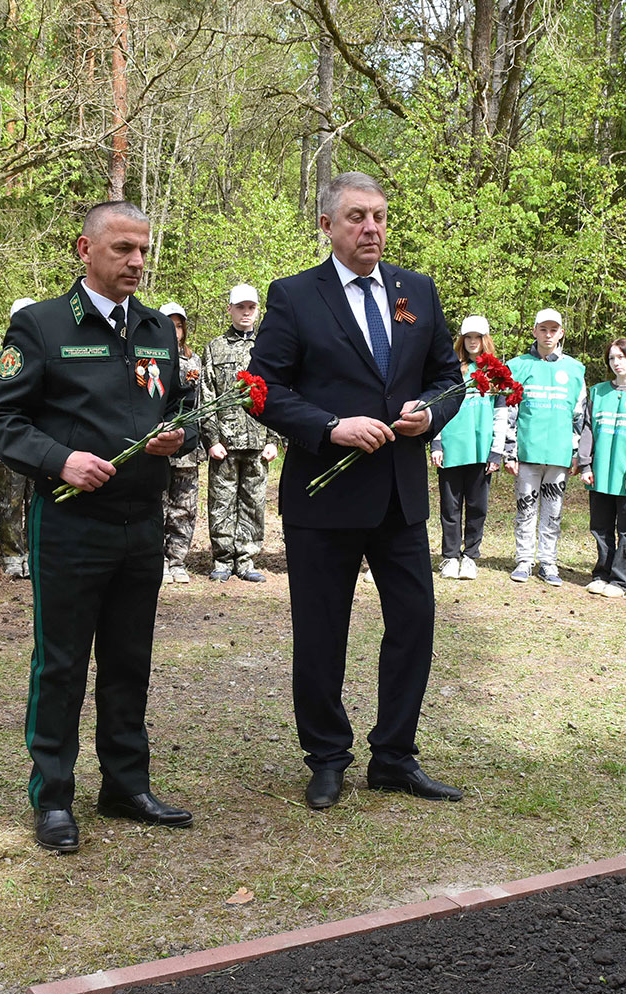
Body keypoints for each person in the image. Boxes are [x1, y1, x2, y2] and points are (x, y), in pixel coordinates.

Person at [0, 201, 197, 853]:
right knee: (63, 663)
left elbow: (183, 409)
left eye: (143, 249)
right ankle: (53, 797)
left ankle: (125, 785)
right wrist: (60, 460)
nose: (136, 261)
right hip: (71, 525)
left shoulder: (156, 329)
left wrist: (182, 435)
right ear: (85, 248)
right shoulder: (41, 326)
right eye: (122, 248)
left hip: (141, 523)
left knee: (129, 659)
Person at [247, 171, 466, 811]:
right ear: (327, 225)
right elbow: (262, 388)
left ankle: (394, 756)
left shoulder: (416, 291)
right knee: (322, 634)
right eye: (356, 217)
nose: (371, 228)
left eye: (379, 216)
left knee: (414, 625)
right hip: (324, 497)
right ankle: (326, 757)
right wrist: (328, 427)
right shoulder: (294, 296)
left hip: (399, 495)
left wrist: (431, 412)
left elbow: (448, 377)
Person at [201, 283, 276, 583]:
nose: (246, 313)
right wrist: (211, 439)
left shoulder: (268, 347)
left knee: (253, 503)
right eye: (241, 307)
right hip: (225, 441)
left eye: (251, 307)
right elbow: (206, 396)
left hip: (258, 440)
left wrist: (274, 439)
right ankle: (222, 559)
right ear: (229, 309)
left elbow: (278, 395)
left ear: (258, 311)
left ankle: (246, 559)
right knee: (221, 501)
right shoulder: (215, 347)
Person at [505, 308, 584, 586]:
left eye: (553, 330)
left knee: (553, 510)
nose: (548, 335)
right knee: (525, 508)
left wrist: (576, 452)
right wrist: (509, 452)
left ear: (561, 333)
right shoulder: (517, 365)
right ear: (535, 331)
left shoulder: (575, 369)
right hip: (528, 452)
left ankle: (548, 561)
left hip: (559, 454)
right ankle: (524, 560)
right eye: (543, 329)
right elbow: (510, 412)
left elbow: (579, 415)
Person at [575, 337, 626, 597]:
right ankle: (602, 573)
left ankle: (621, 580)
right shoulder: (598, 392)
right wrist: (585, 464)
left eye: (621, 357)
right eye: (611, 358)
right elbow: (588, 429)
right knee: (600, 526)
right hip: (599, 473)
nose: (616, 362)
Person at [430, 315, 508, 579]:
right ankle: (450, 556)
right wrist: (436, 443)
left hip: (481, 449)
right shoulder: (450, 370)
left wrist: (496, 450)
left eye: (478, 337)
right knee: (450, 506)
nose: (473, 342)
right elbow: (438, 407)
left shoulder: (496, 372)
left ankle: (470, 556)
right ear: (461, 340)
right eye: (468, 337)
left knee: (477, 506)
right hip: (452, 447)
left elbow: (501, 415)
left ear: (486, 340)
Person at [0, 297, 38, 579]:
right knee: (10, 502)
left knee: (37, 502)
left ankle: (35, 552)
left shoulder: (48, 354)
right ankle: (12, 554)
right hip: (13, 442)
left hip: (41, 443)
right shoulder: (4, 359)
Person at [158, 302, 201, 584]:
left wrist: (203, 440)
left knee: (184, 508)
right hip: (159, 446)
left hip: (187, 449)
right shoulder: (150, 358)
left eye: (178, 325)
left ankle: (177, 560)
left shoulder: (194, 361)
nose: (175, 331)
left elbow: (201, 403)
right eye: (168, 324)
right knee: (159, 506)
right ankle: (158, 559)